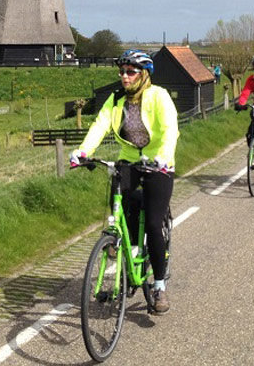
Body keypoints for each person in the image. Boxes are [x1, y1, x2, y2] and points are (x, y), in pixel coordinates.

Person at [70, 49, 179, 314]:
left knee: (153, 223)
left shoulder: (158, 96)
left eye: (130, 72)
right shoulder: (117, 99)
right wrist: (84, 151)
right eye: (122, 71)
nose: (124, 77)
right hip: (129, 160)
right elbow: (100, 124)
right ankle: (124, 261)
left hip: (157, 165)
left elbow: (169, 129)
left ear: (144, 75)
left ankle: (160, 285)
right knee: (120, 212)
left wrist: (163, 158)